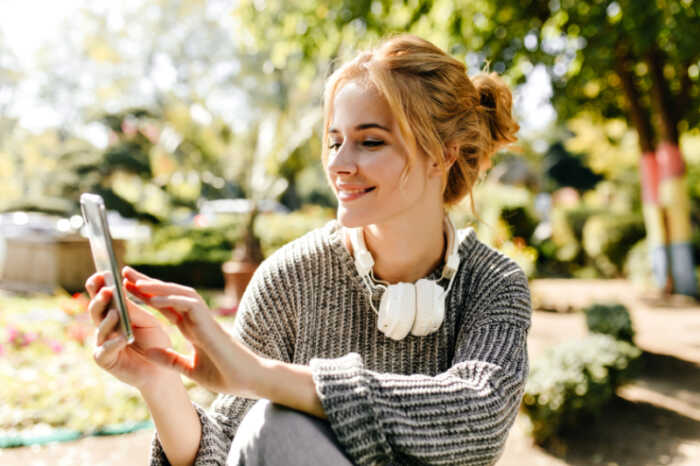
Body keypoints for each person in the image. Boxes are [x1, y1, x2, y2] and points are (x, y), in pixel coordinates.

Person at [85, 34, 530, 466]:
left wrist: (265, 377)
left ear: (442, 155)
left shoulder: (493, 283)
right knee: (271, 428)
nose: (337, 164)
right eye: (335, 141)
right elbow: (229, 450)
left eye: (370, 141)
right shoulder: (291, 277)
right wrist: (158, 382)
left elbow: (480, 417)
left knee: (276, 421)